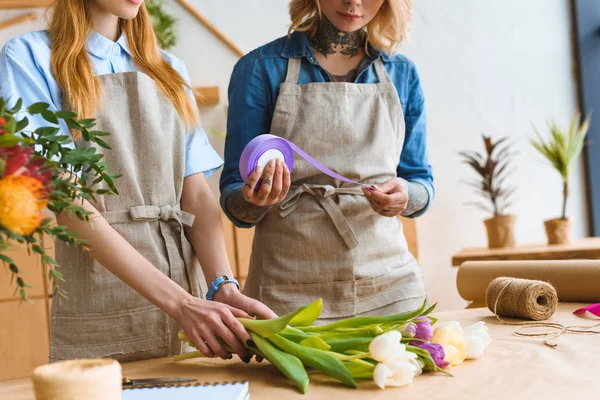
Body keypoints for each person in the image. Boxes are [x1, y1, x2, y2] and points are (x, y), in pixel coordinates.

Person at [0, 0, 275, 363]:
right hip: (103, 297)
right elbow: (65, 199)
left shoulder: (169, 68)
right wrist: (181, 303)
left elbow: (193, 193)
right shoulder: (30, 57)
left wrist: (221, 286)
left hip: (191, 303)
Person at [220, 0, 434, 321]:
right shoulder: (260, 68)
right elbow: (235, 199)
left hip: (390, 284)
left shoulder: (401, 73)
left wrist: (405, 194)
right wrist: (254, 200)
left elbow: (421, 183)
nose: (354, 2)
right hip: (288, 288)